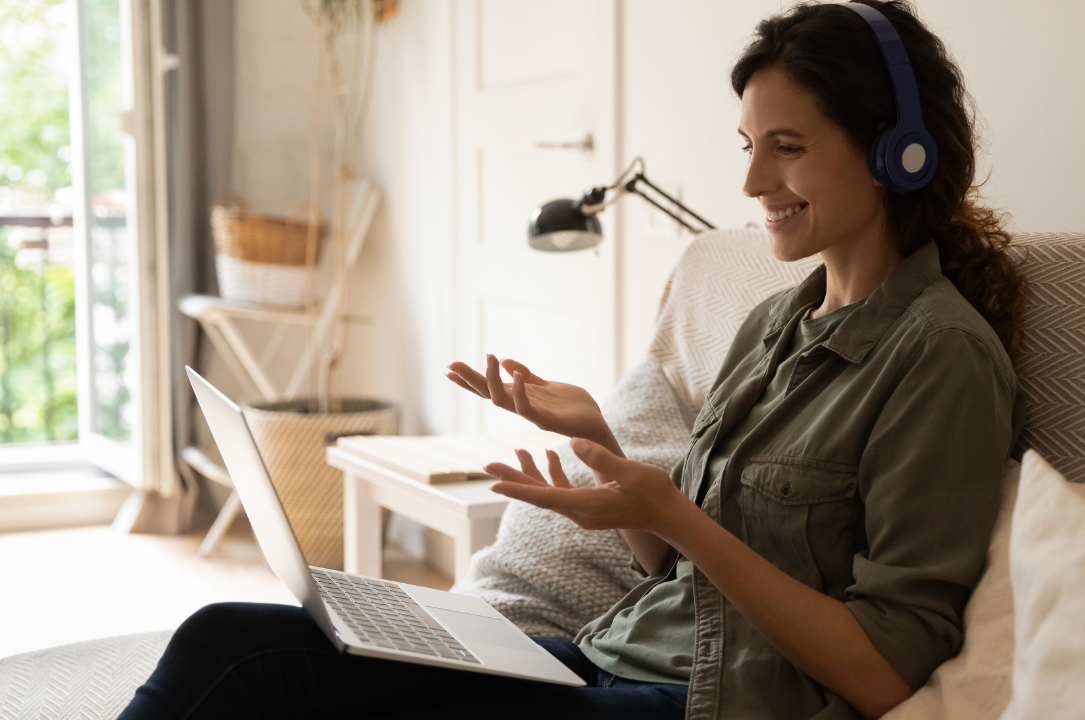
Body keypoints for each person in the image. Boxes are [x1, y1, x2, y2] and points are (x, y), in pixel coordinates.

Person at [118, 2, 1025, 719]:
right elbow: (678, 580)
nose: (752, 186)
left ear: (898, 154)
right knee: (226, 642)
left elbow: (885, 675)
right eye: (750, 149)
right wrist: (607, 451)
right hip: (601, 658)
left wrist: (673, 511)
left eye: (787, 149)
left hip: (707, 705)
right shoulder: (770, 326)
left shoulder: (939, 359)